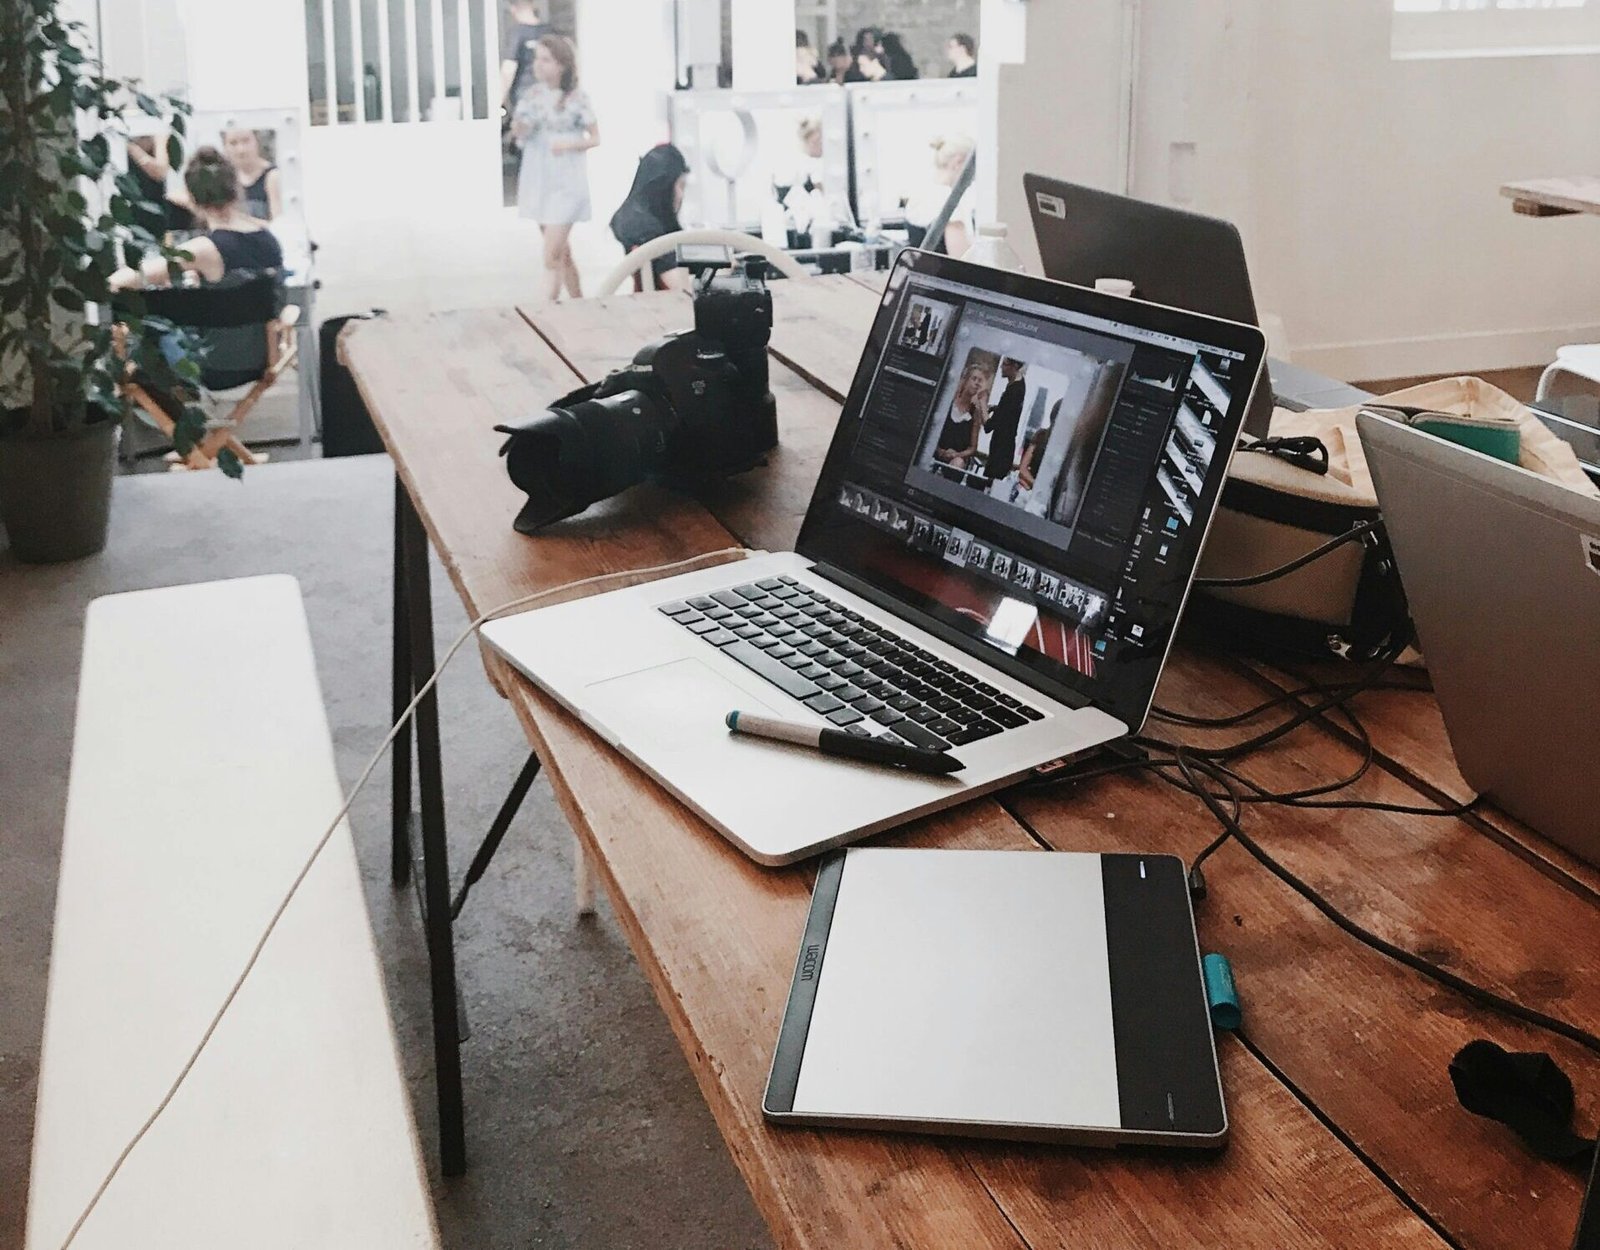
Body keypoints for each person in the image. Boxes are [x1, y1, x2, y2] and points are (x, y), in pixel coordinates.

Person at [512, 34, 599, 302]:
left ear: (561, 64)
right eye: (537, 59)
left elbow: (595, 137)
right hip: (539, 180)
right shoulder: (532, 96)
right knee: (561, 252)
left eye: (546, 59)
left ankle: (544, 310)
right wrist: (519, 123)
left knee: (550, 256)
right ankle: (579, 302)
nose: (539, 65)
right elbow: (519, 133)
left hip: (567, 182)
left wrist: (568, 144)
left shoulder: (577, 98)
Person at [609, 143, 693, 292]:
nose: (682, 195)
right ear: (664, 187)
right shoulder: (648, 231)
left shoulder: (631, 218)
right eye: (681, 186)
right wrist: (724, 270)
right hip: (668, 309)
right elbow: (683, 290)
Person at [903, 134, 975, 255]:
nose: (973, 178)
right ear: (958, 162)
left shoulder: (919, 193)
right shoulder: (949, 203)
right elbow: (961, 260)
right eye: (974, 169)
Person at [933, 361, 993, 469]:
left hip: (956, 459)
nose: (977, 383)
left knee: (958, 463)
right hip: (935, 453)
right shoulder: (948, 403)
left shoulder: (975, 413)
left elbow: (972, 448)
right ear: (965, 380)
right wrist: (939, 450)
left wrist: (957, 455)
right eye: (974, 379)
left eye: (980, 381)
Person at [500, 0, 551, 114]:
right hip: (549, 94)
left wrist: (498, 100)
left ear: (513, 9)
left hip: (525, 94)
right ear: (532, 5)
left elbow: (508, 70)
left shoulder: (516, 34)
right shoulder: (549, 32)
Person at [222, 128, 281, 221]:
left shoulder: (273, 176)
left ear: (257, 141)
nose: (241, 149)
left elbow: (278, 223)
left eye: (246, 141)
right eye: (233, 143)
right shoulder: (225, 178)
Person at [984, 358, 1027, 481]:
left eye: (1004, 364)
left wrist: (982, 404)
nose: (1001, 367)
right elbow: (1009, 410)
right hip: (1004, 445)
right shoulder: (1019, 385)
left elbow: (988, 426)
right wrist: (997, 408)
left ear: (1014, 366)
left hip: (1001, 449)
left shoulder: (1013, 392)